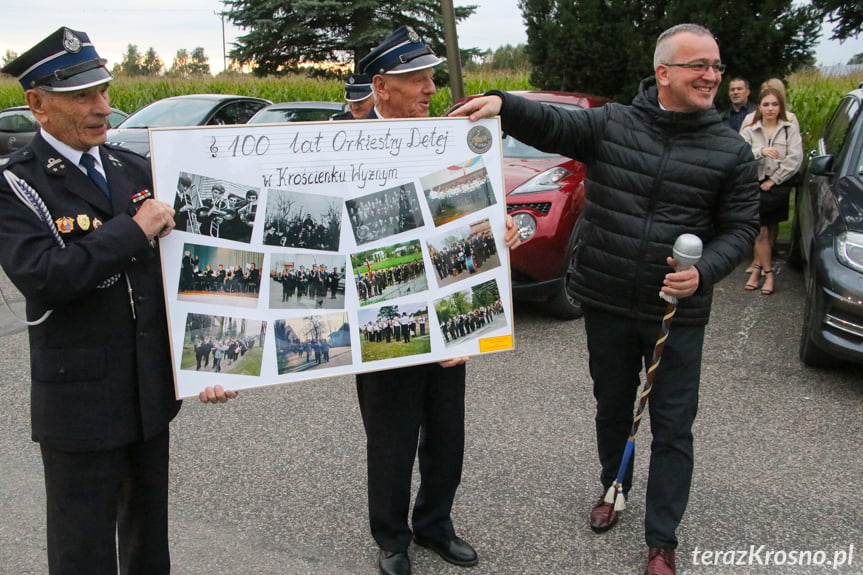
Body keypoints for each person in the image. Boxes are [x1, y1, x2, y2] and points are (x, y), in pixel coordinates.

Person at [452, 23, 759, 575]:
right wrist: (503, 103)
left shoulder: (731, 150)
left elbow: (740, 229)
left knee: (672, 425)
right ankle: (613, 487)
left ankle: (661, 539)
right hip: (609, 301)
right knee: (612, 409)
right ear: (663, 73)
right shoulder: (613, 123)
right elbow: (553, 122)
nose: (712, 75)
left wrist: (705, 271)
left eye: (716, 66)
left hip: (676, 313)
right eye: (699, 66)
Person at [0, 28, 236, 575]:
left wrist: (212, 358)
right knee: (82, 550)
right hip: (79, 405)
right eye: (82, 96)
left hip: (147, 394)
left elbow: (187, 270)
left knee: (148, 544)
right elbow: (45, 277)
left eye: (103, 91)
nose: (103, 107)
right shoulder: (18, 185)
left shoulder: (133, 169)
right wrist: (133, 230)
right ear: (37, 104)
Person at [355, 26, 519, 575]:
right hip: (385, 317)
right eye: (416, 79)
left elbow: (463, 214)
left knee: (447, 433)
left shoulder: (445, 138)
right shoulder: (348, 147)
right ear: (380, 86)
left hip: (450, 318)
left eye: (430, 77)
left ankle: (434, 524)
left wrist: (495, 234)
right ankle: (393, 539)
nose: (430, 88)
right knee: (392, 436)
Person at [740, 87, 803, 295]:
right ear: (759, 106)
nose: (770, 109)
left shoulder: (788, 128)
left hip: (777, 186)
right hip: (754, 184)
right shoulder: (750, 129)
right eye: (766, 104)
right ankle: (766, 273)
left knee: (766, 229)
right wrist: (761, 151)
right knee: (761, 230)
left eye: (774, 104)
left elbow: (795, 158)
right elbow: (740, 153)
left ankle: (758, 271)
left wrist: (774, 179)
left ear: (780, 107)